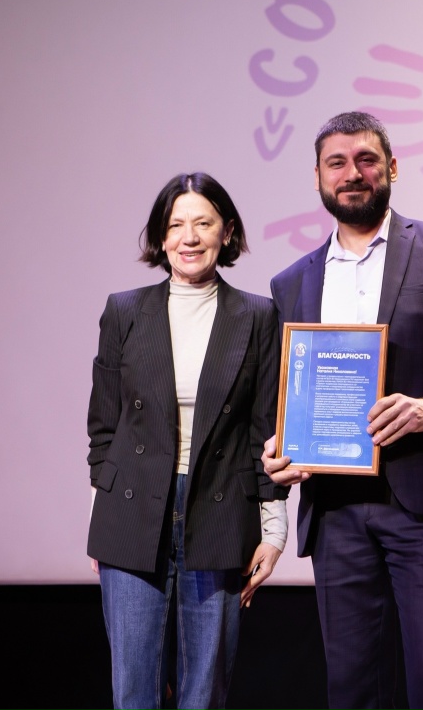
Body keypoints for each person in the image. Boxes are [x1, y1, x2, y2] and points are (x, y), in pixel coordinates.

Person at [264, 112, 423, 710]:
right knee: (352, 688)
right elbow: (288, 395)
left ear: (392, 168)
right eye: (337, 163)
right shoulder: (291, 283)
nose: (352, 173)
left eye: (366, 159)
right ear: (317, 177)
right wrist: (279, 448)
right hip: (334, 508)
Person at [86, 173, 288, 710]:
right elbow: (104, 427)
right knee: (134, 689)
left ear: (227, 232)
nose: (189, 237)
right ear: (161, 235)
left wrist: (273, 528)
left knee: (205, 689)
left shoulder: (257, 315)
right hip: (131, 514)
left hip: (219, 512)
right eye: (176, 225)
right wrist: (100, 517)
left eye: (203, 223)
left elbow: (265, 428)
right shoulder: (124, 310)